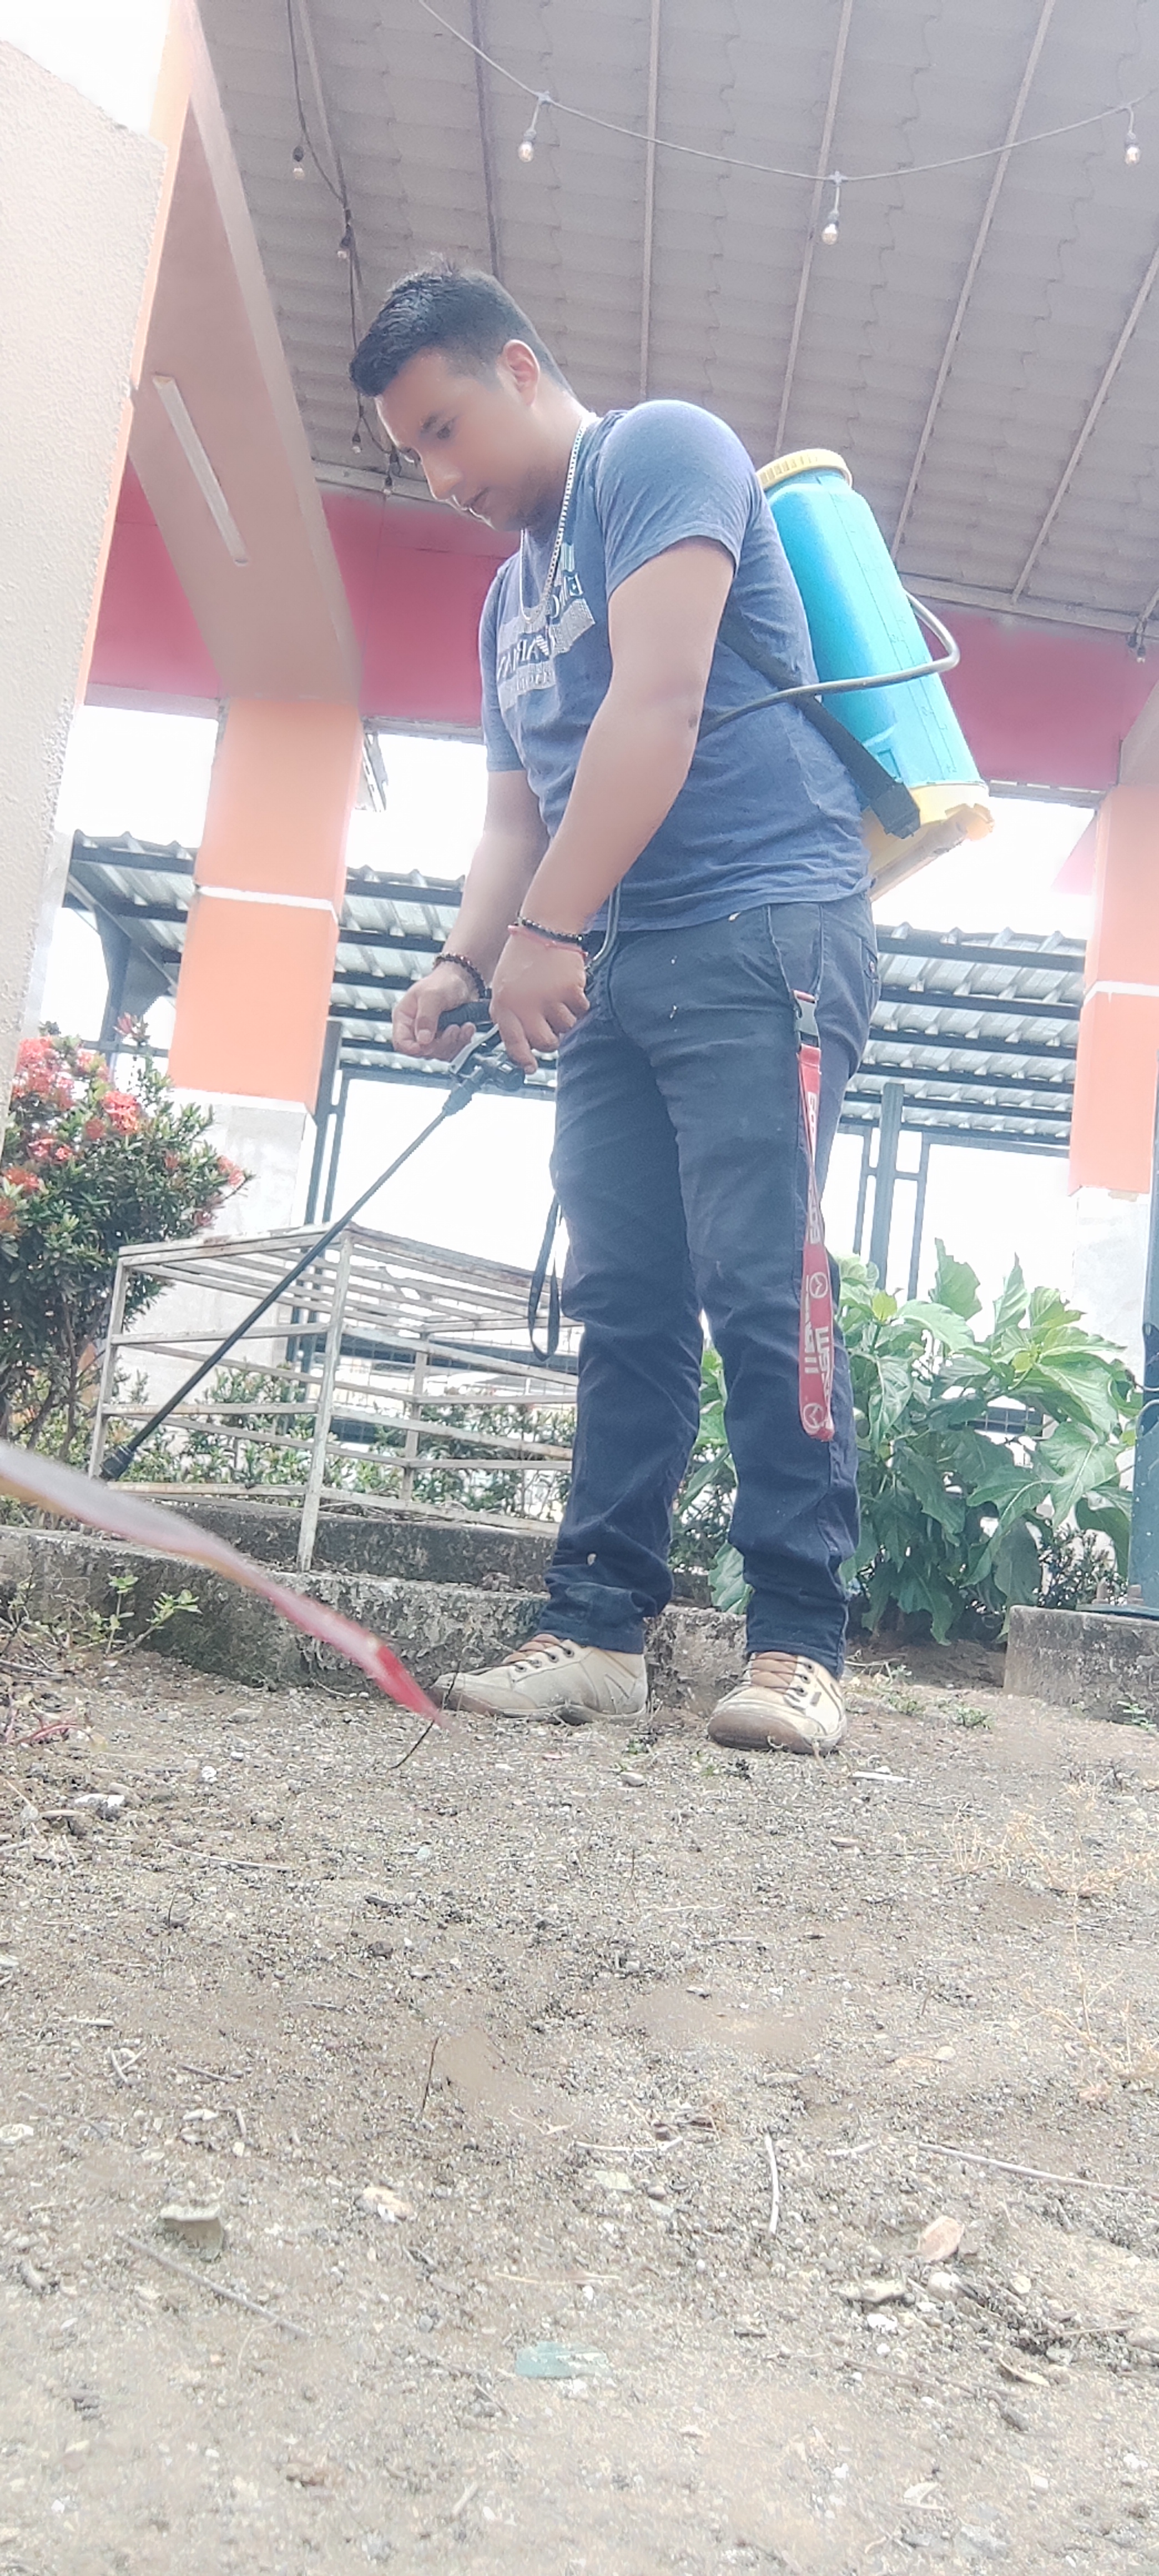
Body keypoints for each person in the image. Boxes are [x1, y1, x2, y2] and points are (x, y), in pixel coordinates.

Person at [350, 263, 878, 1752]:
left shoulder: (659, 452)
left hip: (761, 924)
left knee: (765, 1279)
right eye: (413, 453)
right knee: (625, 1296)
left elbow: (661, 704)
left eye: (445, 431)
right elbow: (515, 813)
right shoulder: (507, 601)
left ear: (519, 369)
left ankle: (799, 1646)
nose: (439, 477)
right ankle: (595, 1631)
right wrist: (467, 964)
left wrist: (543, 933)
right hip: (610, 962)